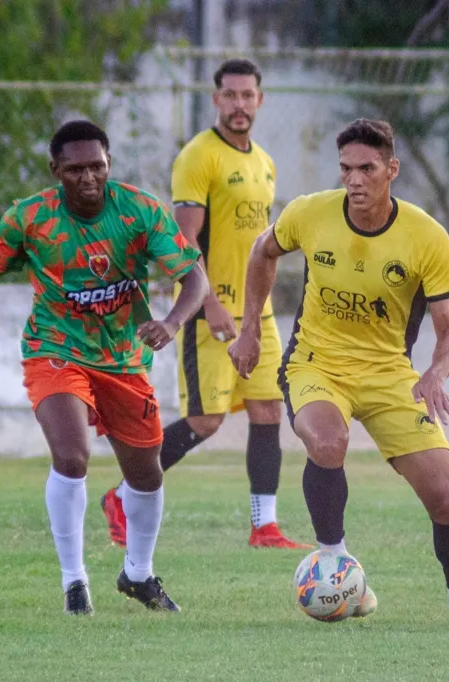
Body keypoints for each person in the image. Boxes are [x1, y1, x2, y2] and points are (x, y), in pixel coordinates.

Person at [228, 118, 449, 629]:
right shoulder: (309, 213)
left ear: (391, 170)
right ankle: (336, 564)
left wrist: (437, 373)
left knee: (445, 497)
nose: (354, 180)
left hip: (390, 373)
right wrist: (249, 329)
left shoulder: (427, 237)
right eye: (346, 169)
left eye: (366, 168)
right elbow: (261, 252)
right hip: (316, 362)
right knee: (328, 442)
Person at [0, 120, 208, 615]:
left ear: (108, 165)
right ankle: (74, 584)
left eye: (97, 167)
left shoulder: (139, 210)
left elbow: (194, 277)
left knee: (146, 474)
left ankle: (138, 574)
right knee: (72, 457)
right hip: (55, 349)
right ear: (56, 171)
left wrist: (172, 322)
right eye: (76, 169)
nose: (88, 177)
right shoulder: (30, 218)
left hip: (124, 358)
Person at [101, 59, 309, 550]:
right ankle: (121, 494)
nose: (239, 104)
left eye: (248, 95)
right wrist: (210, 304)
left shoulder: (264, 161)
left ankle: (265, 526)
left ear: (261, 100)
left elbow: (261, 247)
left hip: (255, 314)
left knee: (267, 410)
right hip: (207, 312)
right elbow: (182, 241)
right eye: (230, 95)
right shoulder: (199, 156)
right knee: (205, 421)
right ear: (216, 99)